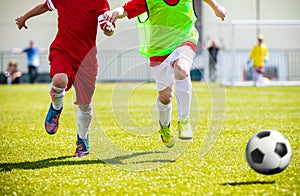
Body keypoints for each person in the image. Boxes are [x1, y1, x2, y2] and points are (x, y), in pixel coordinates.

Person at [104, 0, 226, 147]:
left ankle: (184, 121)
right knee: (165, 97)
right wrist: (115, 13)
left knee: (182, 69)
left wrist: (216, 7)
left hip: (185, 40)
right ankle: (164, 127)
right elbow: (126, 9)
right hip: (158, 51)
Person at [15, 0, 115, 157]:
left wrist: (109, 29)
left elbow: (104, 22)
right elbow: (45, 6)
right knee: (60, 80)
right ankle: (56, 108)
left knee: (85, 105)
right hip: (63, 50)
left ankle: (82, 140)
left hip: (86, 59)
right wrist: (24, 17)